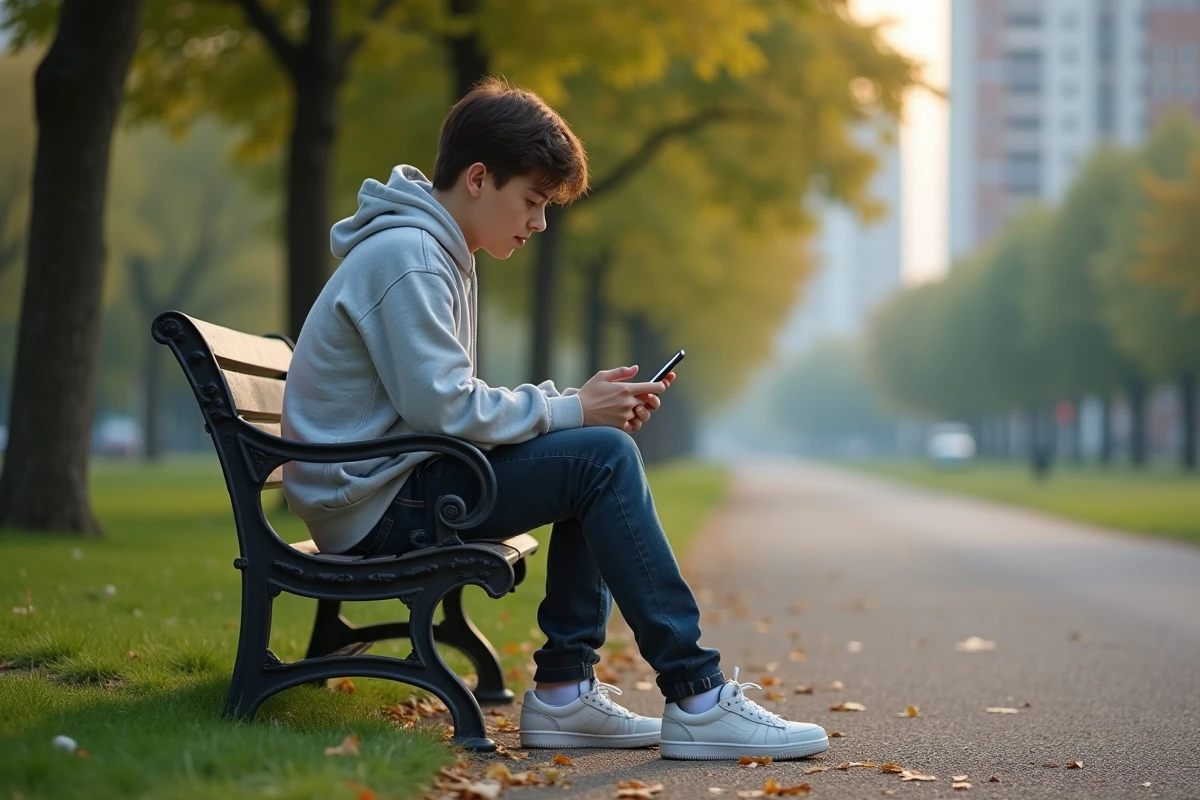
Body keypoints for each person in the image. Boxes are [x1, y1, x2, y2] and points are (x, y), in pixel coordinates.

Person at [280, 77, 829, 761]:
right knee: (600, 456)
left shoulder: (432, 250)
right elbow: (446, 408)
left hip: (388, 488)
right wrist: (571, 408)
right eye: (533, 201)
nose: (539, 223)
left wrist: (576, 408)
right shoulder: (411, 257)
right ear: (479, 178)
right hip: (377, 511)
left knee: (593, 450)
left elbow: (444, 401)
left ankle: (567, 696)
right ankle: (696, 695)